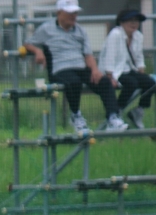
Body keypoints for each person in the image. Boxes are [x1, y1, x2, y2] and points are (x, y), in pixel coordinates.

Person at [24, 0, 129, 133]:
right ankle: (75, 115)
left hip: (80, 67)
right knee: (74, 82)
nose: (73, 16)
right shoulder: (46, 29)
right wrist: (38, 51)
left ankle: (112, 118)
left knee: (104, 82)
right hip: (60, 69)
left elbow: (88, 55)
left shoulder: (80, 30)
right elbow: (28, 43)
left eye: (75, 13)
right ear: (59, 13)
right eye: (70, 13)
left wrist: (95, 70)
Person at [99, 9, 155, 129]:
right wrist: (110, 76)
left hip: (128, 69)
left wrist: (141, 71)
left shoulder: (138, 36)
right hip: (114, 71)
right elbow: (109, 56)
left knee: (150, 83)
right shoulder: (115, 34)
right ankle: (115, 113)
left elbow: (139, 57)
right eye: (130, 20)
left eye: (136, 21)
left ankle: (138, 111)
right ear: (122, 22)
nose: (134, 23)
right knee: (131, 83)